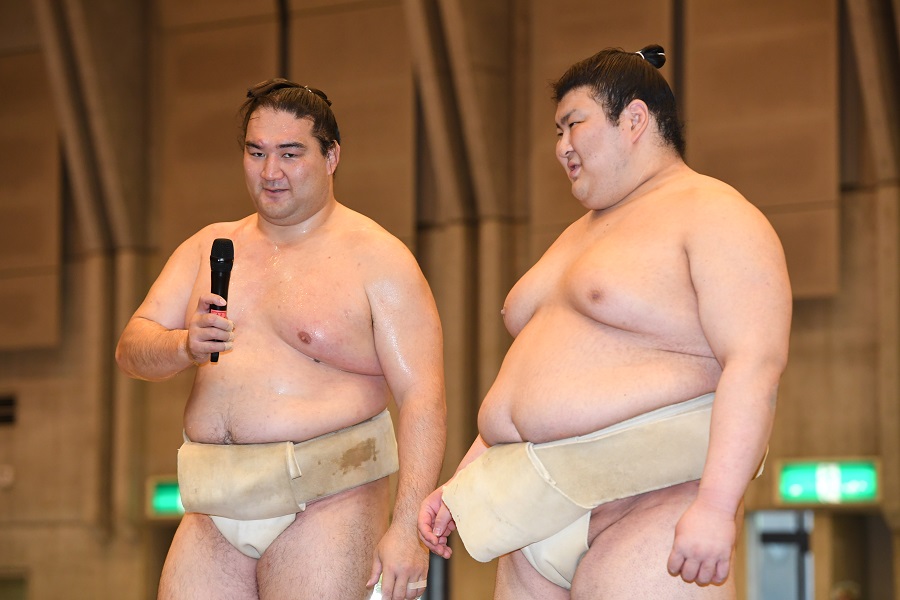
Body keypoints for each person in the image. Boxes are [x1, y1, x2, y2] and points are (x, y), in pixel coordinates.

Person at [418, 44, 791, 599]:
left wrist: (716, 505)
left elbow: (755, 363)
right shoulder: (577, 235)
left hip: (652, 506)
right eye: (557, 131)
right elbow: (531, 373)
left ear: (635, 119)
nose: (561, 146)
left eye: (574, 124)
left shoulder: (715, 213)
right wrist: (465, 480)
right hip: (530, 511)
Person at [117, 78, 446, 600]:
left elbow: (423, 397)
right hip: (210, 504)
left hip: (327, 500)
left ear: (331, 156)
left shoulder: (378, 258)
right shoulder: (208, 245)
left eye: (290, 154)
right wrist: (183, 345)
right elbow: (132, 348)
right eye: (257, 153)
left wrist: (408, 529)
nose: (271, 172)